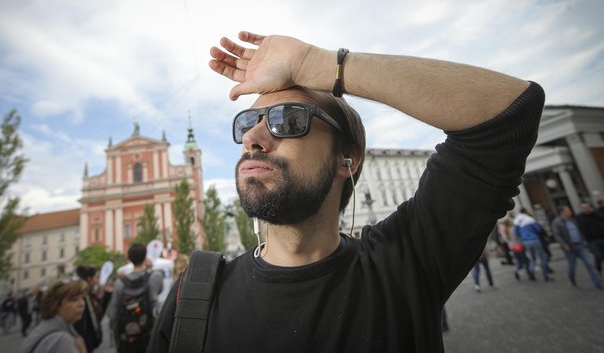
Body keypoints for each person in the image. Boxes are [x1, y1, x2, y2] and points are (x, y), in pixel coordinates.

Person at [146, 31, 544, 352]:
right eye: (248, 122)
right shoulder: (196, 293)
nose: (252, 137)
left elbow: (508, 111)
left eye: (287, 119)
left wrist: (315, 64)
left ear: (346, 159)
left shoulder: (404, 262)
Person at [109, 243, 163, 352]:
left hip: (128, 339)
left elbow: (113, 314)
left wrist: (117, 340)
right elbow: (159, 290)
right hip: (149, 336)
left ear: (129, 259)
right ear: (145, 256)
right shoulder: (155, 277)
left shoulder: (120, 283)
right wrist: (150, 266)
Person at [19, 279, 88, 353]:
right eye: (74, 300)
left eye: (83, 298)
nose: (82, 304)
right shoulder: (62, 340)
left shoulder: (41, 330)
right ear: (56, 305)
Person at [551, 205, 602, 289]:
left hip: (580, 244)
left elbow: (579, 230)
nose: (570, 212)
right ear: (562, 212)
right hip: (569, 247)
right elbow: (557, 235)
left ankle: (598, 283)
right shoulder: (557, 222)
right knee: (572, 266)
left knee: (589, 264)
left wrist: (583, 241)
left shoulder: (573, 220)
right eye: (568, 210)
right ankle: (572, 279)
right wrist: (564, 245)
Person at [74, 265, 113, 352]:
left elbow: (98, 314)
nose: (98, 280)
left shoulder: (89, 295)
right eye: (97, 277)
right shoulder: (83, 297)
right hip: (85, 345)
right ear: (89, 279)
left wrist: (107, 294)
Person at [513, 210, 552, 281]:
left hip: (526, 242)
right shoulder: (529, 219)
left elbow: (516, 232)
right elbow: (538, 229)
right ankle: (546, 275)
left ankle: (531, 272)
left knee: (532, 258)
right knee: (542, 257)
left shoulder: (517, 221)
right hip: (535, 240)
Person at [576, 202, 604, 274]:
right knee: (598, 255)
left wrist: (593, 212)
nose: (586, 209)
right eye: (584, 208)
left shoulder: (595, 214)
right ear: (581, 209)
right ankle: (598, 269)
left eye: (587, 207)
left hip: (601, 237)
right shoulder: (579, 217)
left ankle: (598, 269)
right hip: (592, 241)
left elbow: (602, 218)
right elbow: (580, 228)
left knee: (601, 255)